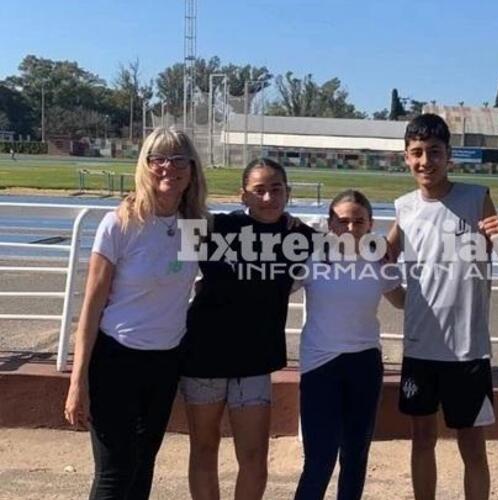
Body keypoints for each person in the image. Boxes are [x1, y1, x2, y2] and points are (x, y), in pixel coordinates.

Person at [63, 127, 208, 499]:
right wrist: (77, 381)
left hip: (164, 363)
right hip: (116, 359)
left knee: (143, 467)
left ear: (191, 170)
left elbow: (218, 274)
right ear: (144, 165)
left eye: (178, 159)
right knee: (116, 472)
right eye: (157, 158)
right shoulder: (121, 223)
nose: (168, 167)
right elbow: (92, 305)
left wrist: (293, 227)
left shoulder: (194, 226)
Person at [387, 113, 498, 500]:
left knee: (472, 445)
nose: (425, 161)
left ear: (449, 156)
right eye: (417, 153)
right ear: (406, 157)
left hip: (468, 349)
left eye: (434, 152)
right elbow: (380, 261)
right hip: (420, 347)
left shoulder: (476, 197)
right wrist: (395, 295)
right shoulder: (404, 207)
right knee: (421, 439)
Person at [180, 158, 315, 500]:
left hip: (255, 361)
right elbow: (165, 221)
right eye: (259, 190)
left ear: (288, 192)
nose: (268, 198)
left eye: (276, 189)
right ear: (243, 195)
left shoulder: (300, 237)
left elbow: (354, 244)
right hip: (203, 356)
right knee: (204, 448)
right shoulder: (215, 227)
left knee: (254, 457)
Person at [293, 190, 405, 500]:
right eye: (342, 221)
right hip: (320, 366)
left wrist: (445, 283)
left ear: (370, 224)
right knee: (319, 459)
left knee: (355, 455)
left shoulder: (379, 261)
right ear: (330, 223)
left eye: (359, 221)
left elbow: (403, 302)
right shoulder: (311, 257)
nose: (351, 228)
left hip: (365, 365)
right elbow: (274, 293)